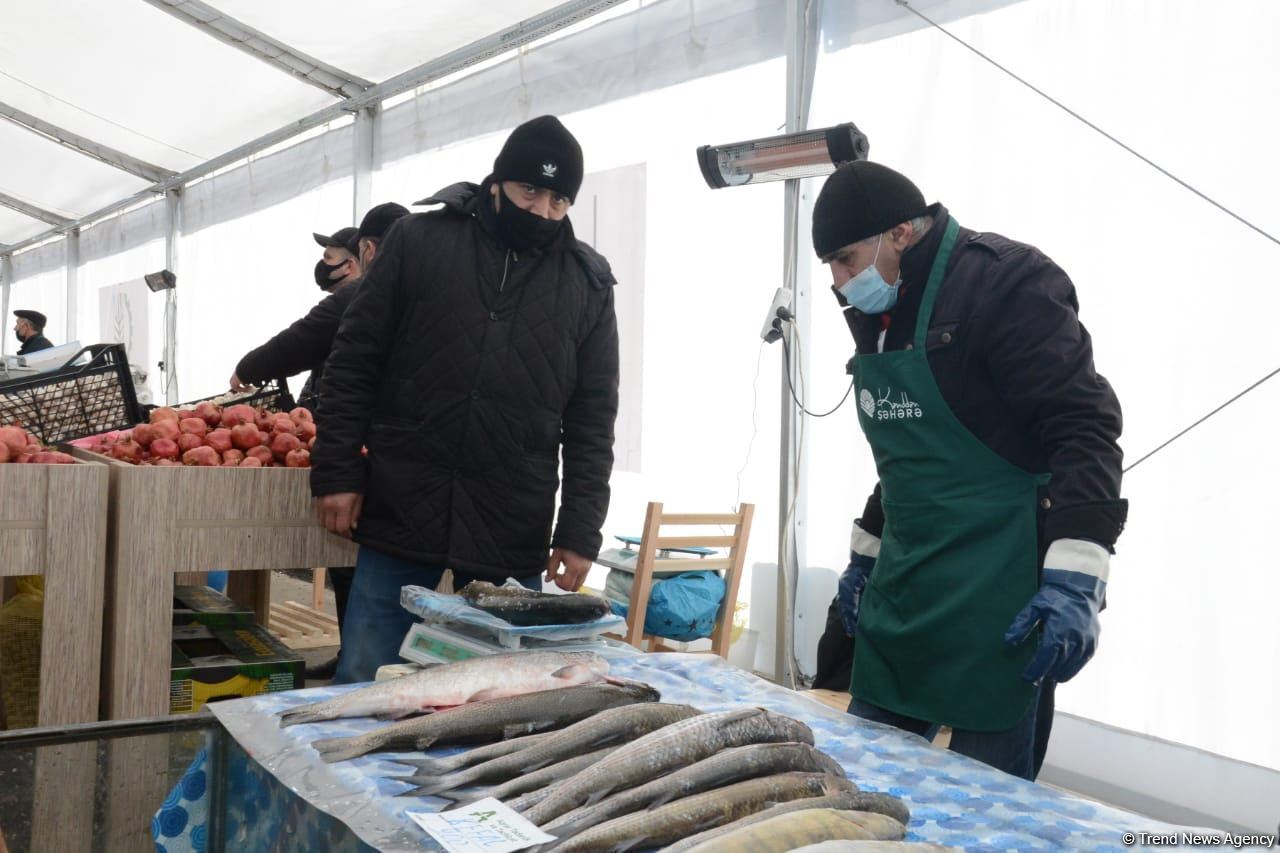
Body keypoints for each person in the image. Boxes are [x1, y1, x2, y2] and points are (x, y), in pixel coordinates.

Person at [810, 160, 1127, 781]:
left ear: (900, 233)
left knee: (983, 806)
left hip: (996, 592)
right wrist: (863, 558)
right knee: (857, 789)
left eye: (846, 260)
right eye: (831, 267)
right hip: (904, 593)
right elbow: (907, 453)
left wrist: (1079, 572)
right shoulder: (876, 310)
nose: (839, 282)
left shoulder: (1006, 285)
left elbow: (1083, 426)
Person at [312, 115, 619, 684]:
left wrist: (579, 531)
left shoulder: (587, 284)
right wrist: (336, 472)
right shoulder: (421, 241)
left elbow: (592, 419)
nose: (542, 211)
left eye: (558, 200)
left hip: (512, 515)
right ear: (498, 182)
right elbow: (354, 360)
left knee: (500, 694)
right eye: (530, 190)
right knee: (365, 672)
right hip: (404, 499)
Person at [228, 206, 409, 680]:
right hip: (398, 453)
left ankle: (362, 666)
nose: (326, 265)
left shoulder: (363, 294)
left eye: (334, 255)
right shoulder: (433, 295)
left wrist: (247, 368)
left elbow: (300, 339)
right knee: (369, 571)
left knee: (360, 566)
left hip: (362, 450)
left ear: (366, 252)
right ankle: (364, 656)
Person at [228, 224, 363, 401]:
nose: (322, 264)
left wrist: (247, 369)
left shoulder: (351, 302)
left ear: (349, 266)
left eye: (328, 258)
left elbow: (304, 339)